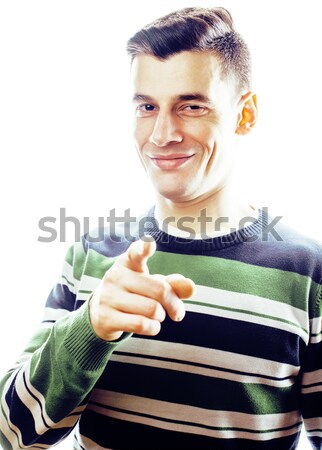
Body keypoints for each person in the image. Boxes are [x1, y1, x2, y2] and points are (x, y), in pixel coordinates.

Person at [1, 6, 322, 450]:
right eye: (147, 107)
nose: (162, 134)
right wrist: (90, 327)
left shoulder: (308, 273)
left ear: (244, 114)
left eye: (191, 106)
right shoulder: (92, 256)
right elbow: (12, 433)